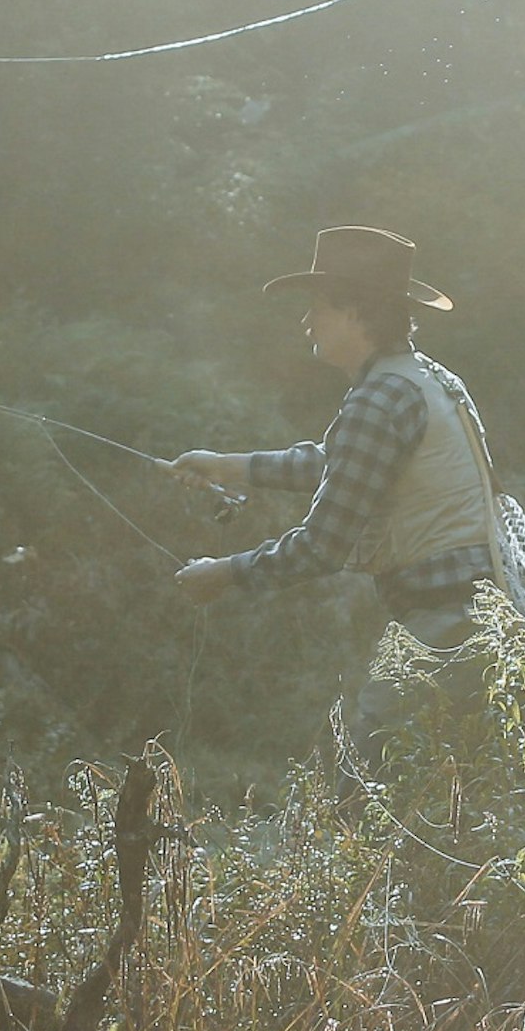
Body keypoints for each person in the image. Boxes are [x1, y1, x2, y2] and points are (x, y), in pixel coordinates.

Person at [169, 226, 504, 760]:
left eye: (318, 307)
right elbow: (341, 463)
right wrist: (227, 466)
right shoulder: (422, 378)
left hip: (448, 627)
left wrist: (225, 573)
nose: (307, 321)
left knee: (369, 794)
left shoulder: (379, 398)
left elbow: (322, 544)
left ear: (356, 313)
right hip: (488, 624)